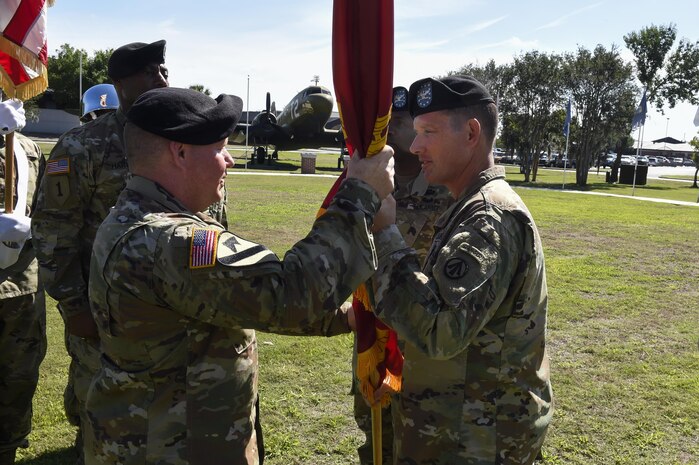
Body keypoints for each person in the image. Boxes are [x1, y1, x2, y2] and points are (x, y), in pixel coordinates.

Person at [84, 87, 396, 465]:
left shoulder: (130, 217)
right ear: (179, 153)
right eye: (220, 148)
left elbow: (229, 300)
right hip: (178, 447)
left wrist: (343, 317)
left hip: (155, 436)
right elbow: (289, 295)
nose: (230, 160)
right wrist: (358, 196)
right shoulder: (171, 240)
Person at [367, 76, 553, 464]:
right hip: (460, 431)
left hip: (477, 440)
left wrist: (385, 234)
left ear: (471, 133)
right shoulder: (469, 206)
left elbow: (438, 332)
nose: (415, 146)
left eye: (428, 132)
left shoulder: (488, 219)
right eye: (415, 132)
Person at [30, 40, 175, 463]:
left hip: (172, 308)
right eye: (148, 72)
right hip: (103, 310)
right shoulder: (84, 146)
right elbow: (54, 231)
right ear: (118, 83)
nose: (160, 80)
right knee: (102, 410)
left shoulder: (180, 140)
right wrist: (74, 307)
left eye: (162, 70)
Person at [351, 86, 452, 465]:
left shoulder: (449, 193)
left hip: (424, 349)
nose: (389, 129)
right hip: (376, 335)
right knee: (374, 437)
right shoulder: (370, 189)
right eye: (385, 121)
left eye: (399, 121)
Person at [0, 99, 46, 465]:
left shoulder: (27, 147)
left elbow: (46, 209)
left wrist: (33, 230)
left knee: (18, 377)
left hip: (21, 286)